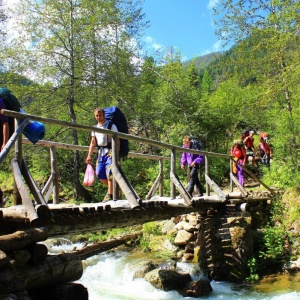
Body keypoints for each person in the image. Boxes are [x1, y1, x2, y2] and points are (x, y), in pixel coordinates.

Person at [86, 107, 119, 202]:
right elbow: (93, 142)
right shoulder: (95, 128)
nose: (98, 117)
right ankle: (114, 189)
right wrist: (89, 155)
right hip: (100, 154)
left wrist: (115, 154)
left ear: (103, 115)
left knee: (110, 174)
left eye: (100, 115)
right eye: (96, 115)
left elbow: (118, 140)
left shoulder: (111, 125)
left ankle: (111, 196)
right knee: (99, 174)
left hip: (110, 153)